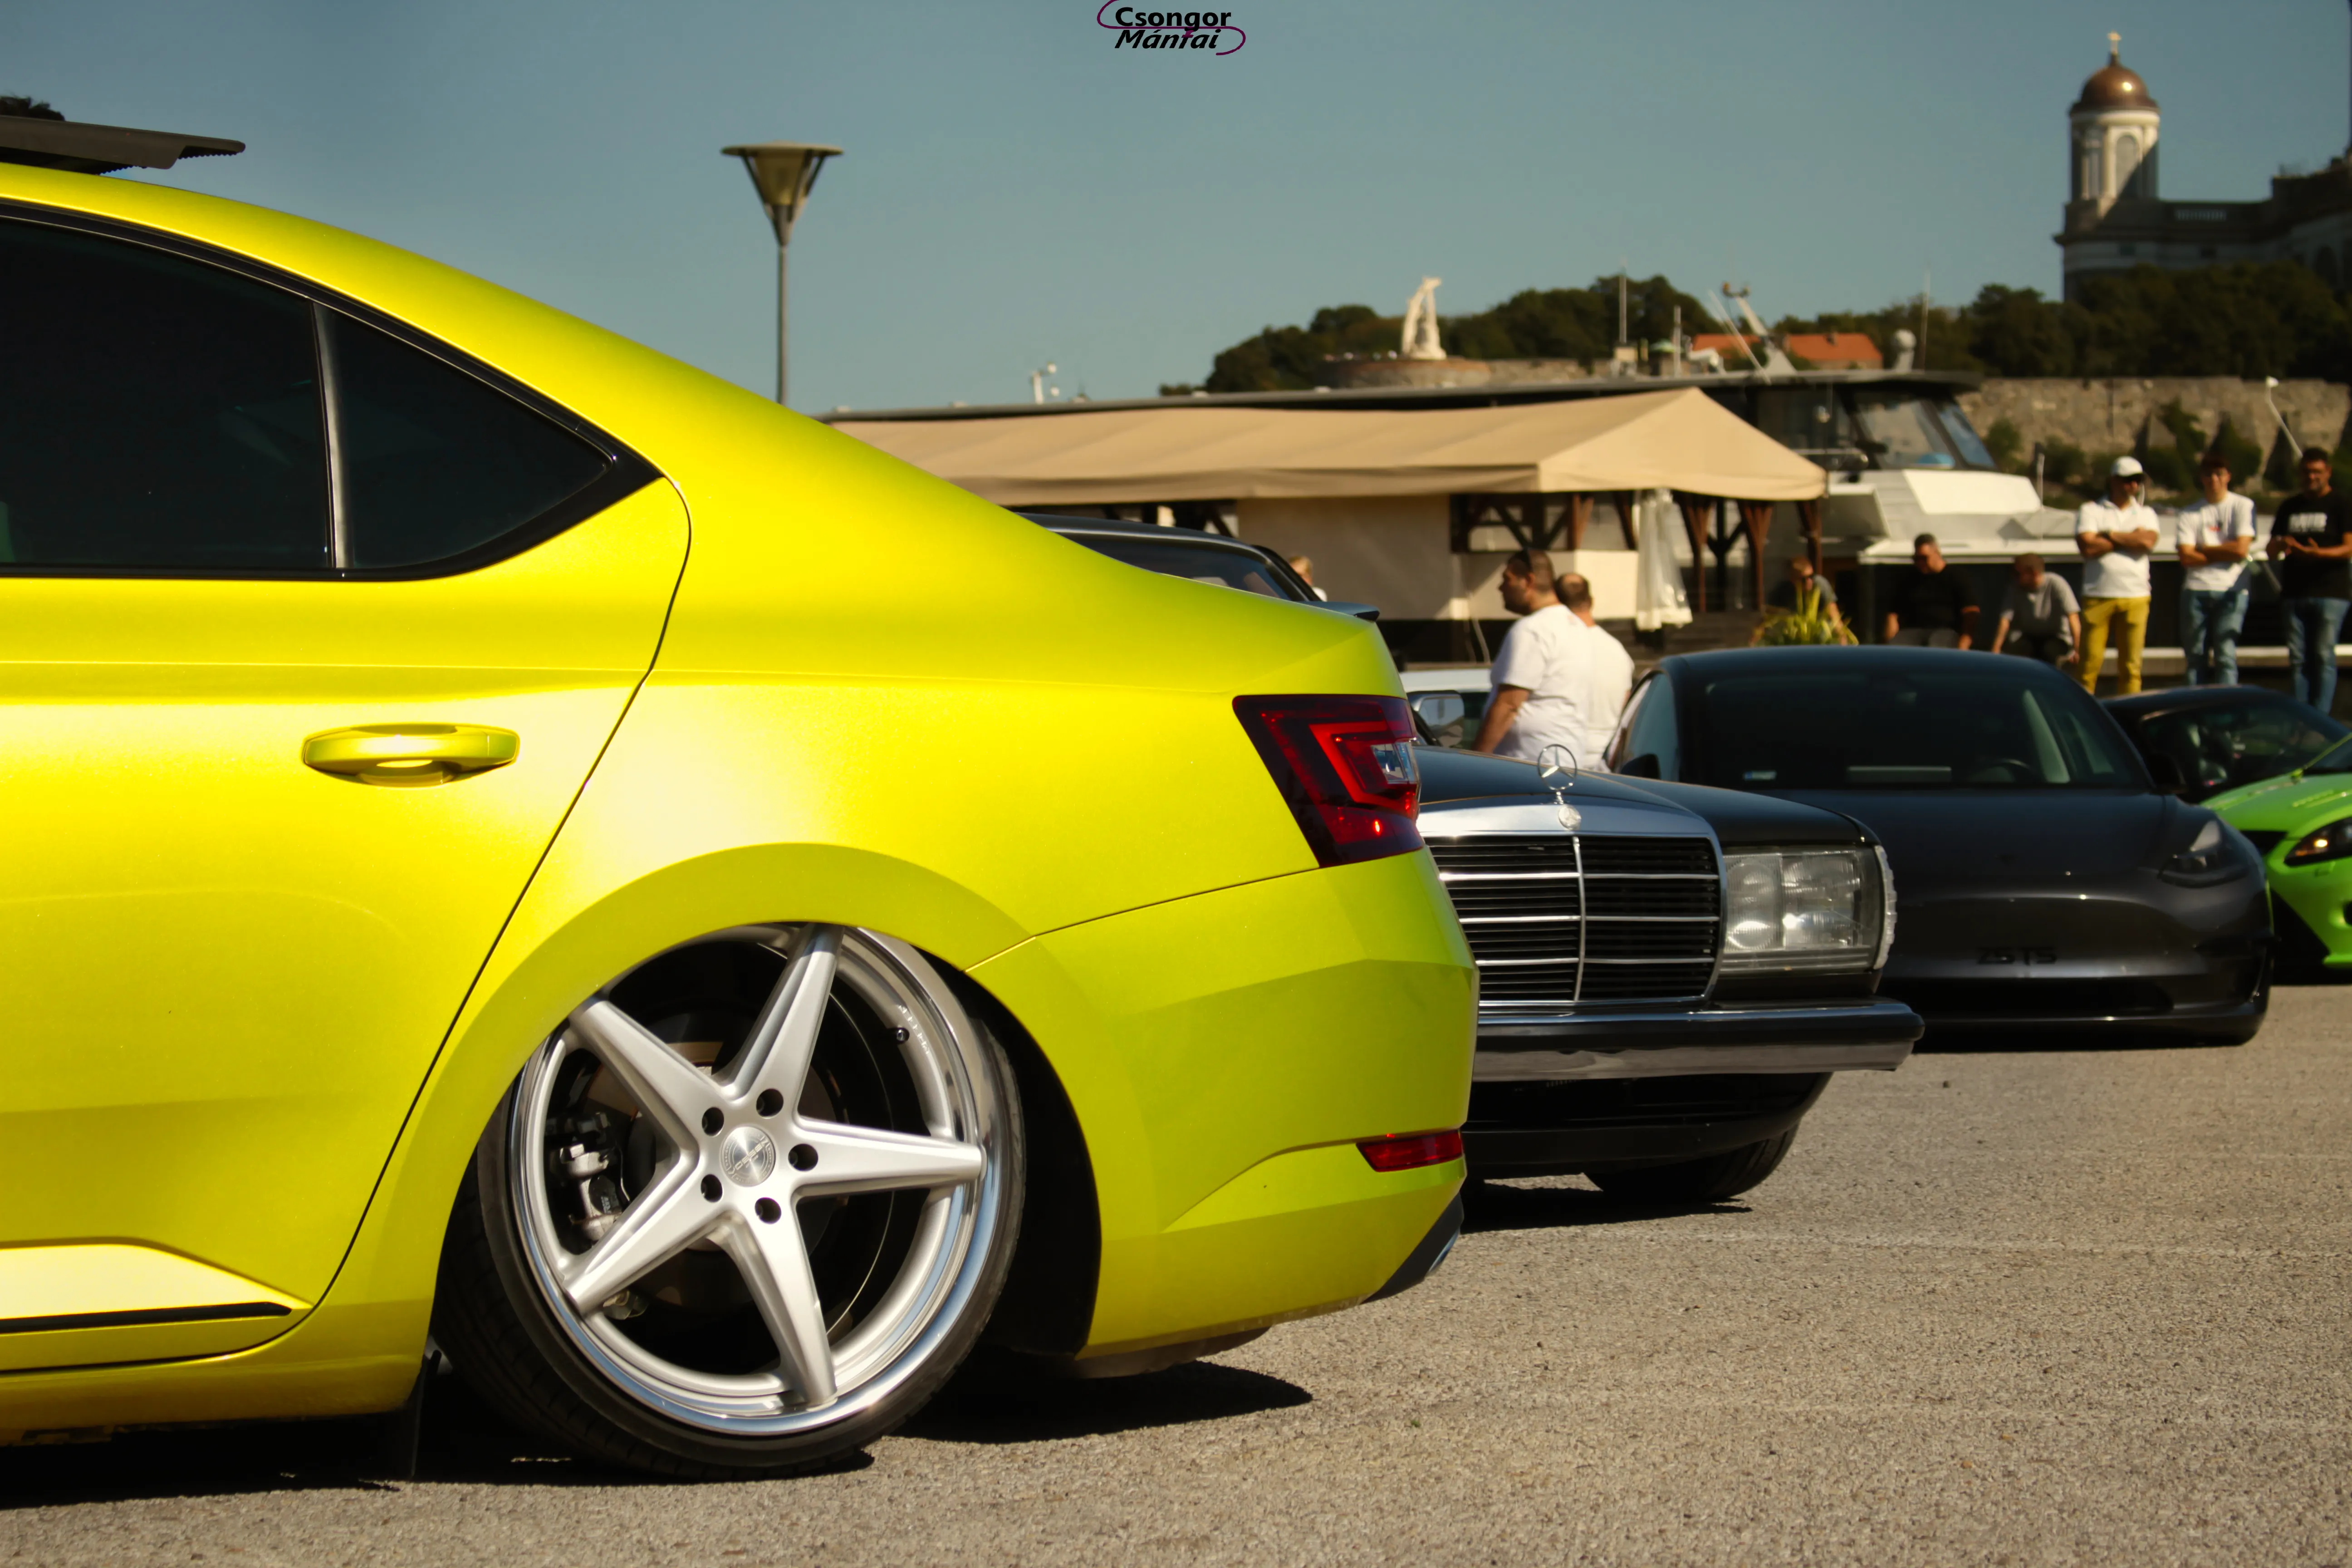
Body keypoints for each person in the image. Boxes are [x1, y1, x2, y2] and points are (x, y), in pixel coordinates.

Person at [1469, 549, 1596, 763]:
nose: (1500, 588)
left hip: (1528, 766)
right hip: (1566, 760)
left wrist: (1473, 762)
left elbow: (1509, 705)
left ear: (1528, 581)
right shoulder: (1576, 626)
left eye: (1507, 579)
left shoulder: (1532, 629)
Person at [2268, 448, 2352, 712]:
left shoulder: (2341, 503)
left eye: (2317, 471)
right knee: (2298, 659)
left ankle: (2321, 717)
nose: (2311, 477)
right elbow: (2270, 550)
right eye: (2306, 471)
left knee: (2323, 655)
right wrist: (2282, 544)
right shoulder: (2289, 507)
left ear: (2328, 473)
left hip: (2331, 593)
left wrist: (2317, 553)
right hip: (2294, 593)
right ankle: (2301, 717)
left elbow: (2349, 548)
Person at [2074, 455, 2159, 694]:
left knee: (2132, 667)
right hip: (2098, 594)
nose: (2134, 486)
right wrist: (2130, 537)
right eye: (2128, 480)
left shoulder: (2147, 513)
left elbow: (2148, 542)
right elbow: (2088, 547)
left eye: (2137, 481)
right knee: (2088, 666)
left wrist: (2109, 535)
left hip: (2136, 595)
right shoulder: (2090, 510)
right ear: (2113, 481)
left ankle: (2130, 715)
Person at [2176, 453, 2258, 686]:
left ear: (2228, 477)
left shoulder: (2242, 506)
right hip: (2196, 589)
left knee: (2225, 655)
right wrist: (2225, 551)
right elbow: (2186, 556)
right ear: (2202, 478)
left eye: (2219, 474)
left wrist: (2204, 549)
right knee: (2195, 657)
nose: (2214, 479)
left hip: (2232, 590)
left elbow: (2241, 550)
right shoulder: (2190, 513)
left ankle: (2228, 712)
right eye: (2209, 474)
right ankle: (2195, 711)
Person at [1556, 571, 1635, 764]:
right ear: (1591, 602)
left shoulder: (1556, 646)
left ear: (1557, 604)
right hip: (1607, 758)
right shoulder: (1618, 650)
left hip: (1564, 758)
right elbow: (1626, 705)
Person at [1882, 533, 1978, 648]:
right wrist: (1890, 643)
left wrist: (1963, 646)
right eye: (1917, 559)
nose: (1920, 563)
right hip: (1913, 631)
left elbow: (1971, 611)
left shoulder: (1957, 577)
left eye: (1924, 558)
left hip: (1945, 631)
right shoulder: (1909, 579)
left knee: (1936, 646)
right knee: (1899, 648)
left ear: (1937, 553)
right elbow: (1893, 614)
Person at [1987, 552, 2081, 666]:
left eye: (2018, 574)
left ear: (2033, 573)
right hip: (2028, 636)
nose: (2014, 577)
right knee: (2018, 651)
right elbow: (2005, 620)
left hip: (2056, 637)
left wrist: (2078, 650)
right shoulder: (2015, 588)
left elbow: (2073, 616)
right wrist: (1996, 649)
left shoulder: (2056, 583)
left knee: (2049, 652)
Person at [1757, 555, 1847, 642]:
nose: (1809, 582)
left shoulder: (1820, 585)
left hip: (1818, 635)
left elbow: (1834, 616)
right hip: (1792, 635)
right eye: (1804, 579)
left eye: (1811, 577)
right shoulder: (1782, 590)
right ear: (1792, 579)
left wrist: (1842, 639)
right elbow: (1766, 618)